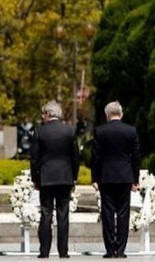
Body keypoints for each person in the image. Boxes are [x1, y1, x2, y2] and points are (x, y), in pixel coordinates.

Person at [30, 101, 80, 259]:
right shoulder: (69, 130)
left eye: (43, 114)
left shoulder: (39, 131)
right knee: (63, 214)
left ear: (48, 114)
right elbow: (75, 157)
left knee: (46, 213)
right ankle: (63, 251)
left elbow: (34, 158)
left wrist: (35, 179)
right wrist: (74, 177)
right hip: (65, 177)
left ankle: (44, 251)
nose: (42, 117)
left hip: (46, 177)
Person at [92, 101, 141, 259]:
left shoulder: (100, 131)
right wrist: (135, 179)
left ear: (107, 114)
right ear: (121, 113)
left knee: (107, 213)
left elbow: (96, 157)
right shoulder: (131, 131)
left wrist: (95, 178)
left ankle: (110, 249)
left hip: (106, 177)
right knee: (123, 213)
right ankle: (120, 250)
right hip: (125, 176)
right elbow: (136, 157)